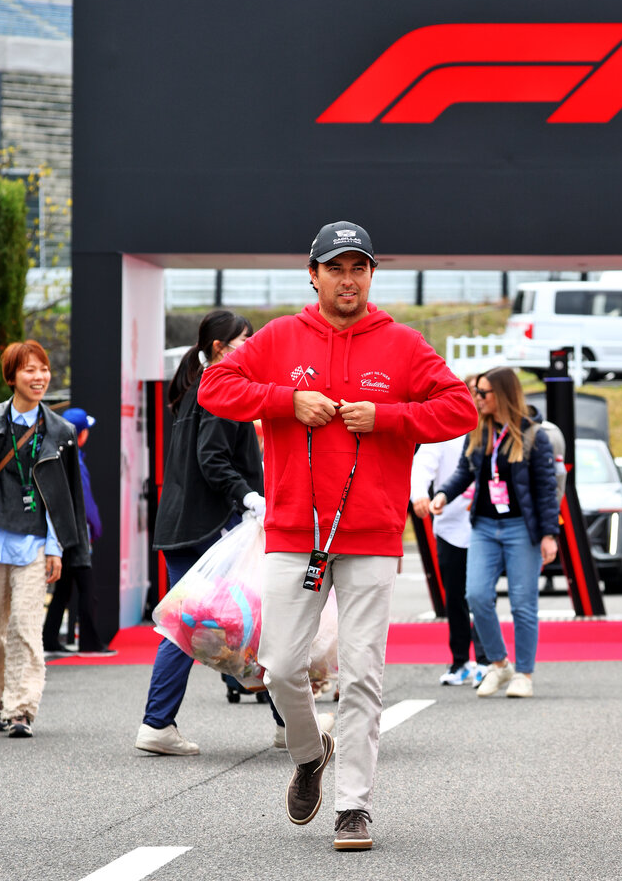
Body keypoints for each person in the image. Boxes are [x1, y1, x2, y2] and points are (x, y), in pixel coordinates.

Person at [198, 221, 477, 852]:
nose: (348, 279)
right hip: (296, 526)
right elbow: (216, 387)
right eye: (336, 268)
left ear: (371, 275)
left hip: (374, 531)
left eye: (359, 268)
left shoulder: (403, 344)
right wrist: (286, 401)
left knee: (363, 675)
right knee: (278, 667)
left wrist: (389, 417)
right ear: (314, 274)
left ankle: (354, 807)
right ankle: (308, 752)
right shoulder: (279, 337)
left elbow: (460, 406)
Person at [134, 310, 269, 756]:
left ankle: (158, 723)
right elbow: (214, 460)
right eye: (245, 340)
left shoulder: (196, 387)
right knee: (239, 622)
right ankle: (289, 721)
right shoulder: (218, 389)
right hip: (209, 526)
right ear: (220, 347)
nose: (252, 347)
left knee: (192, 625)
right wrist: (249, 498)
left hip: (182, 525)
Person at [430, 366, 560, 699]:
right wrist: (443, 494)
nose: (477, 398)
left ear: (501, 395)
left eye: (483, 392)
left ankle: (524, 675)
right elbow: (464, 472)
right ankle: (500, 664)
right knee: (475, 596)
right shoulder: (478, 432)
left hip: (520, 529)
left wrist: (548, 535)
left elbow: (546, 490)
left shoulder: (534, 436)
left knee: (523, 604)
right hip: (485, 527)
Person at [0, 340, 90, 738]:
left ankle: (21, 709)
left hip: (36, 541)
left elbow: (66, 495)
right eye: (29, 370)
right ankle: (0, 698)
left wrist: (58, 547)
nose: (39, 377)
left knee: (26, 626)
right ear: (12, 376)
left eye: (44, 369)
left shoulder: (61, 431)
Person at [410, 374, 490, 688]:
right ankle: (460, 661)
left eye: (481, 394)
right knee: (455, 597)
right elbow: (423, 464)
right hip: (450, 526)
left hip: (486, 526)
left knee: (481, 596)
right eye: (472, 393)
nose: (477, 400)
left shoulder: (493, 431)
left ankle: (487, 659)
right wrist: (419, 494)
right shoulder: (446, 430)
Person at [42, 406, 114, 657]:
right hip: (78, 534)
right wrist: (96, 526)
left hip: (61, 532)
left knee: (63, 590)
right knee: (87, 588)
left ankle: (50, 639)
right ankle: (90, 644)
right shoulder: (77, 462)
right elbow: (86, 504)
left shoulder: (56, 456)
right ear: (80, 435)